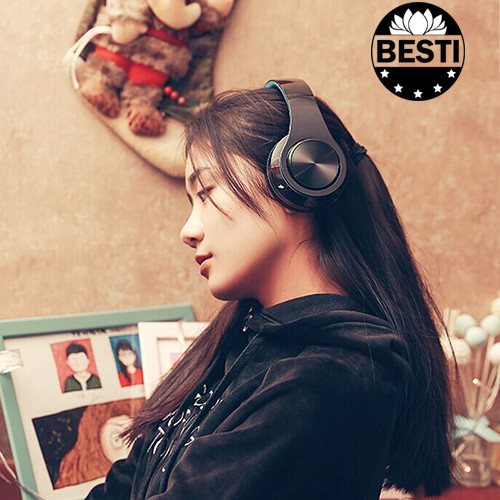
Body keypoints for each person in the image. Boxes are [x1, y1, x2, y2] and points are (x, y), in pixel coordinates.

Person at [85, 79, 454, 499]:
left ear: (300, 176)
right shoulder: (237, 342)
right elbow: (129, 480)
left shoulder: (330, 378)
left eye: (205, 192)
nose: (188, 231)